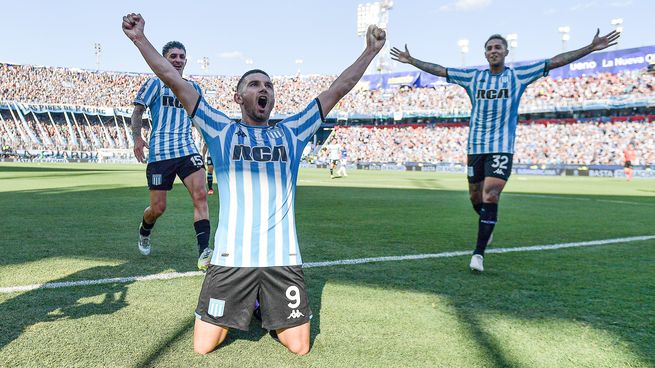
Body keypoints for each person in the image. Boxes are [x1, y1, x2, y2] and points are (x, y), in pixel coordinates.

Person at [122, 13, 386, 355]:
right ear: (238, 97)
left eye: (268, 86)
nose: (264, 89)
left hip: (282, 258)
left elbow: (338, 88)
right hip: (232, 259)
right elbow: (173, 79)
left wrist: (370, 51)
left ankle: (263, 303)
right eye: (254, 85)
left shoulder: (292, 130)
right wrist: (140, 38)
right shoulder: (220, 129)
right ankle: (253, 300)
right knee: (203, 346)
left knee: (299, 347)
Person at [391, 29, 620, 272]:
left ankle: (478, 254)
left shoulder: (519, 76)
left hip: (502, 148)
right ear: (485, 53)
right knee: (475, 197)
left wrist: (589, 48)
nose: (493, 51)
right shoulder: (472, 77)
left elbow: (555, 61)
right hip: (475, 146)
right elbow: (441, 70)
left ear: (506, 52)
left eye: (498, 47)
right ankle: (486, 222)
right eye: (489, 48)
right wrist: (412, 60)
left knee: (491, 194)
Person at [131, 40, 213, 271]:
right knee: (158, 209)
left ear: (186, 61)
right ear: (164, 60)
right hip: (160, 154)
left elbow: (200, 118)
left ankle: (204, 252)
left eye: (181, 56)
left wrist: (209, 141)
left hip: (187, 150)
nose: (177, 60)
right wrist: (137, 138)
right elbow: (138, 110)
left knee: (200, 195)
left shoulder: (194, 88)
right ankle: (145, 230)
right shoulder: (154, 84)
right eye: (172, 56)